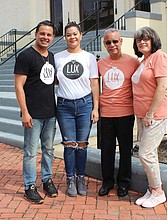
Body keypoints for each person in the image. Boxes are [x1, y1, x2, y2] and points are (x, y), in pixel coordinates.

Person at [14, 20, 58, 204]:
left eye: (49, 34)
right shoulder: (26, 56)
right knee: (31, 152)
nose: (45, 37)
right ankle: (29, 186)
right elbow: (18, 86)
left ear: (53, 37)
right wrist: (25, 111)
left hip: (50, 113)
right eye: (42, 33)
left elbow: (51, 82)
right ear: (36, 34)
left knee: (48, 150)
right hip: (33, 114)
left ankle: (47, 180)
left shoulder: (52, 57)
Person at [54, 22, 99, 197]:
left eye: (75, 34)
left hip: (85, 104)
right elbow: (54, 80)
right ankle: (70, 178)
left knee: (82, 144)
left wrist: (96, 107)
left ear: (80, 35)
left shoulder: (89, 58)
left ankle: (81, 177)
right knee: (69, 144)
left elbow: (94, 83)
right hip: (64, 105)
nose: (72, 37)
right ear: (65, 37)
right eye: (68, 34)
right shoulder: (57, 57)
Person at [132, 27, 167, 208]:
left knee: (145, 153)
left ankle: (158, 192)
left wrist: (150, 114)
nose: (142, 42)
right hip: (143, 115)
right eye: (139, 40)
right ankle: (152, 188)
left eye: (146, 39)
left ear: (153, 40)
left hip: (155, 115)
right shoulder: (144, 60)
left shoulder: (160, 57)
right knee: (150, 153)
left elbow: (162, 87)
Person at [98, 28, 140, 197]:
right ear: (104, 44)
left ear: (121, 41)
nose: (112, 45)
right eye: (108, 42)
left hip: (126, 113)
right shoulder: (100, 63)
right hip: (106, 113)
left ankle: (124, 183)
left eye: (115, 41)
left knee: (125, 149)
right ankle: (107, 182)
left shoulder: (133, 62)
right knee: (106, 150)